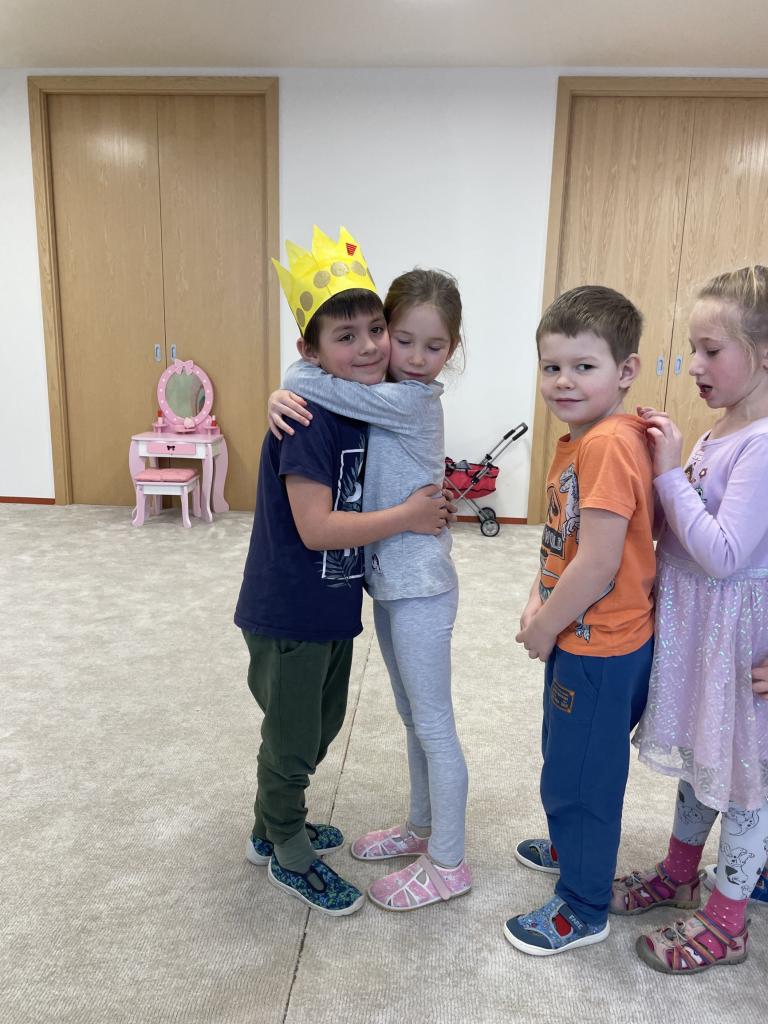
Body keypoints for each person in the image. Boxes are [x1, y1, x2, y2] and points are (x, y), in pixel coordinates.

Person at [234, 227, 450, 917]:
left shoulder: (358, 403)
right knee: (294, 736)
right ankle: (286, 849)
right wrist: (408, 516)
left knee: (317, 724)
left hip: (331, 602)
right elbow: (316, 528)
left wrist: (285, 383)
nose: (370, 348)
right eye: (345, 337)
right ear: (311, 350)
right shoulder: (309, 419)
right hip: (290, 604)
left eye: (376, 330)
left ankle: (274, 824)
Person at [610, 265, 768, 974]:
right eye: (692, 349)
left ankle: (729, 921)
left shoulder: (762, 443)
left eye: (712, 350)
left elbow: (725, 555)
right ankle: (679, 872)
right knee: (707, 761)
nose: (694, 366)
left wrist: (670, 472)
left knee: (743, 784)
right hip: (704, 636)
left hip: (739, 645)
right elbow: (683, 535)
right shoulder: (723, 429)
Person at [505, 285, 655, 955]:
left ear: (625, 371)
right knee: (564, 755)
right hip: (580, 636)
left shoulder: (606, 446)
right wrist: (538, 600)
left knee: (584, 778)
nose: (563, 381)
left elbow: (597, 563)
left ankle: (583, 906)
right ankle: (571, 847)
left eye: (583, 366)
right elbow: (564, 542)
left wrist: (544, 627)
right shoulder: (583, 438)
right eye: (552, 366)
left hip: (602, 648)